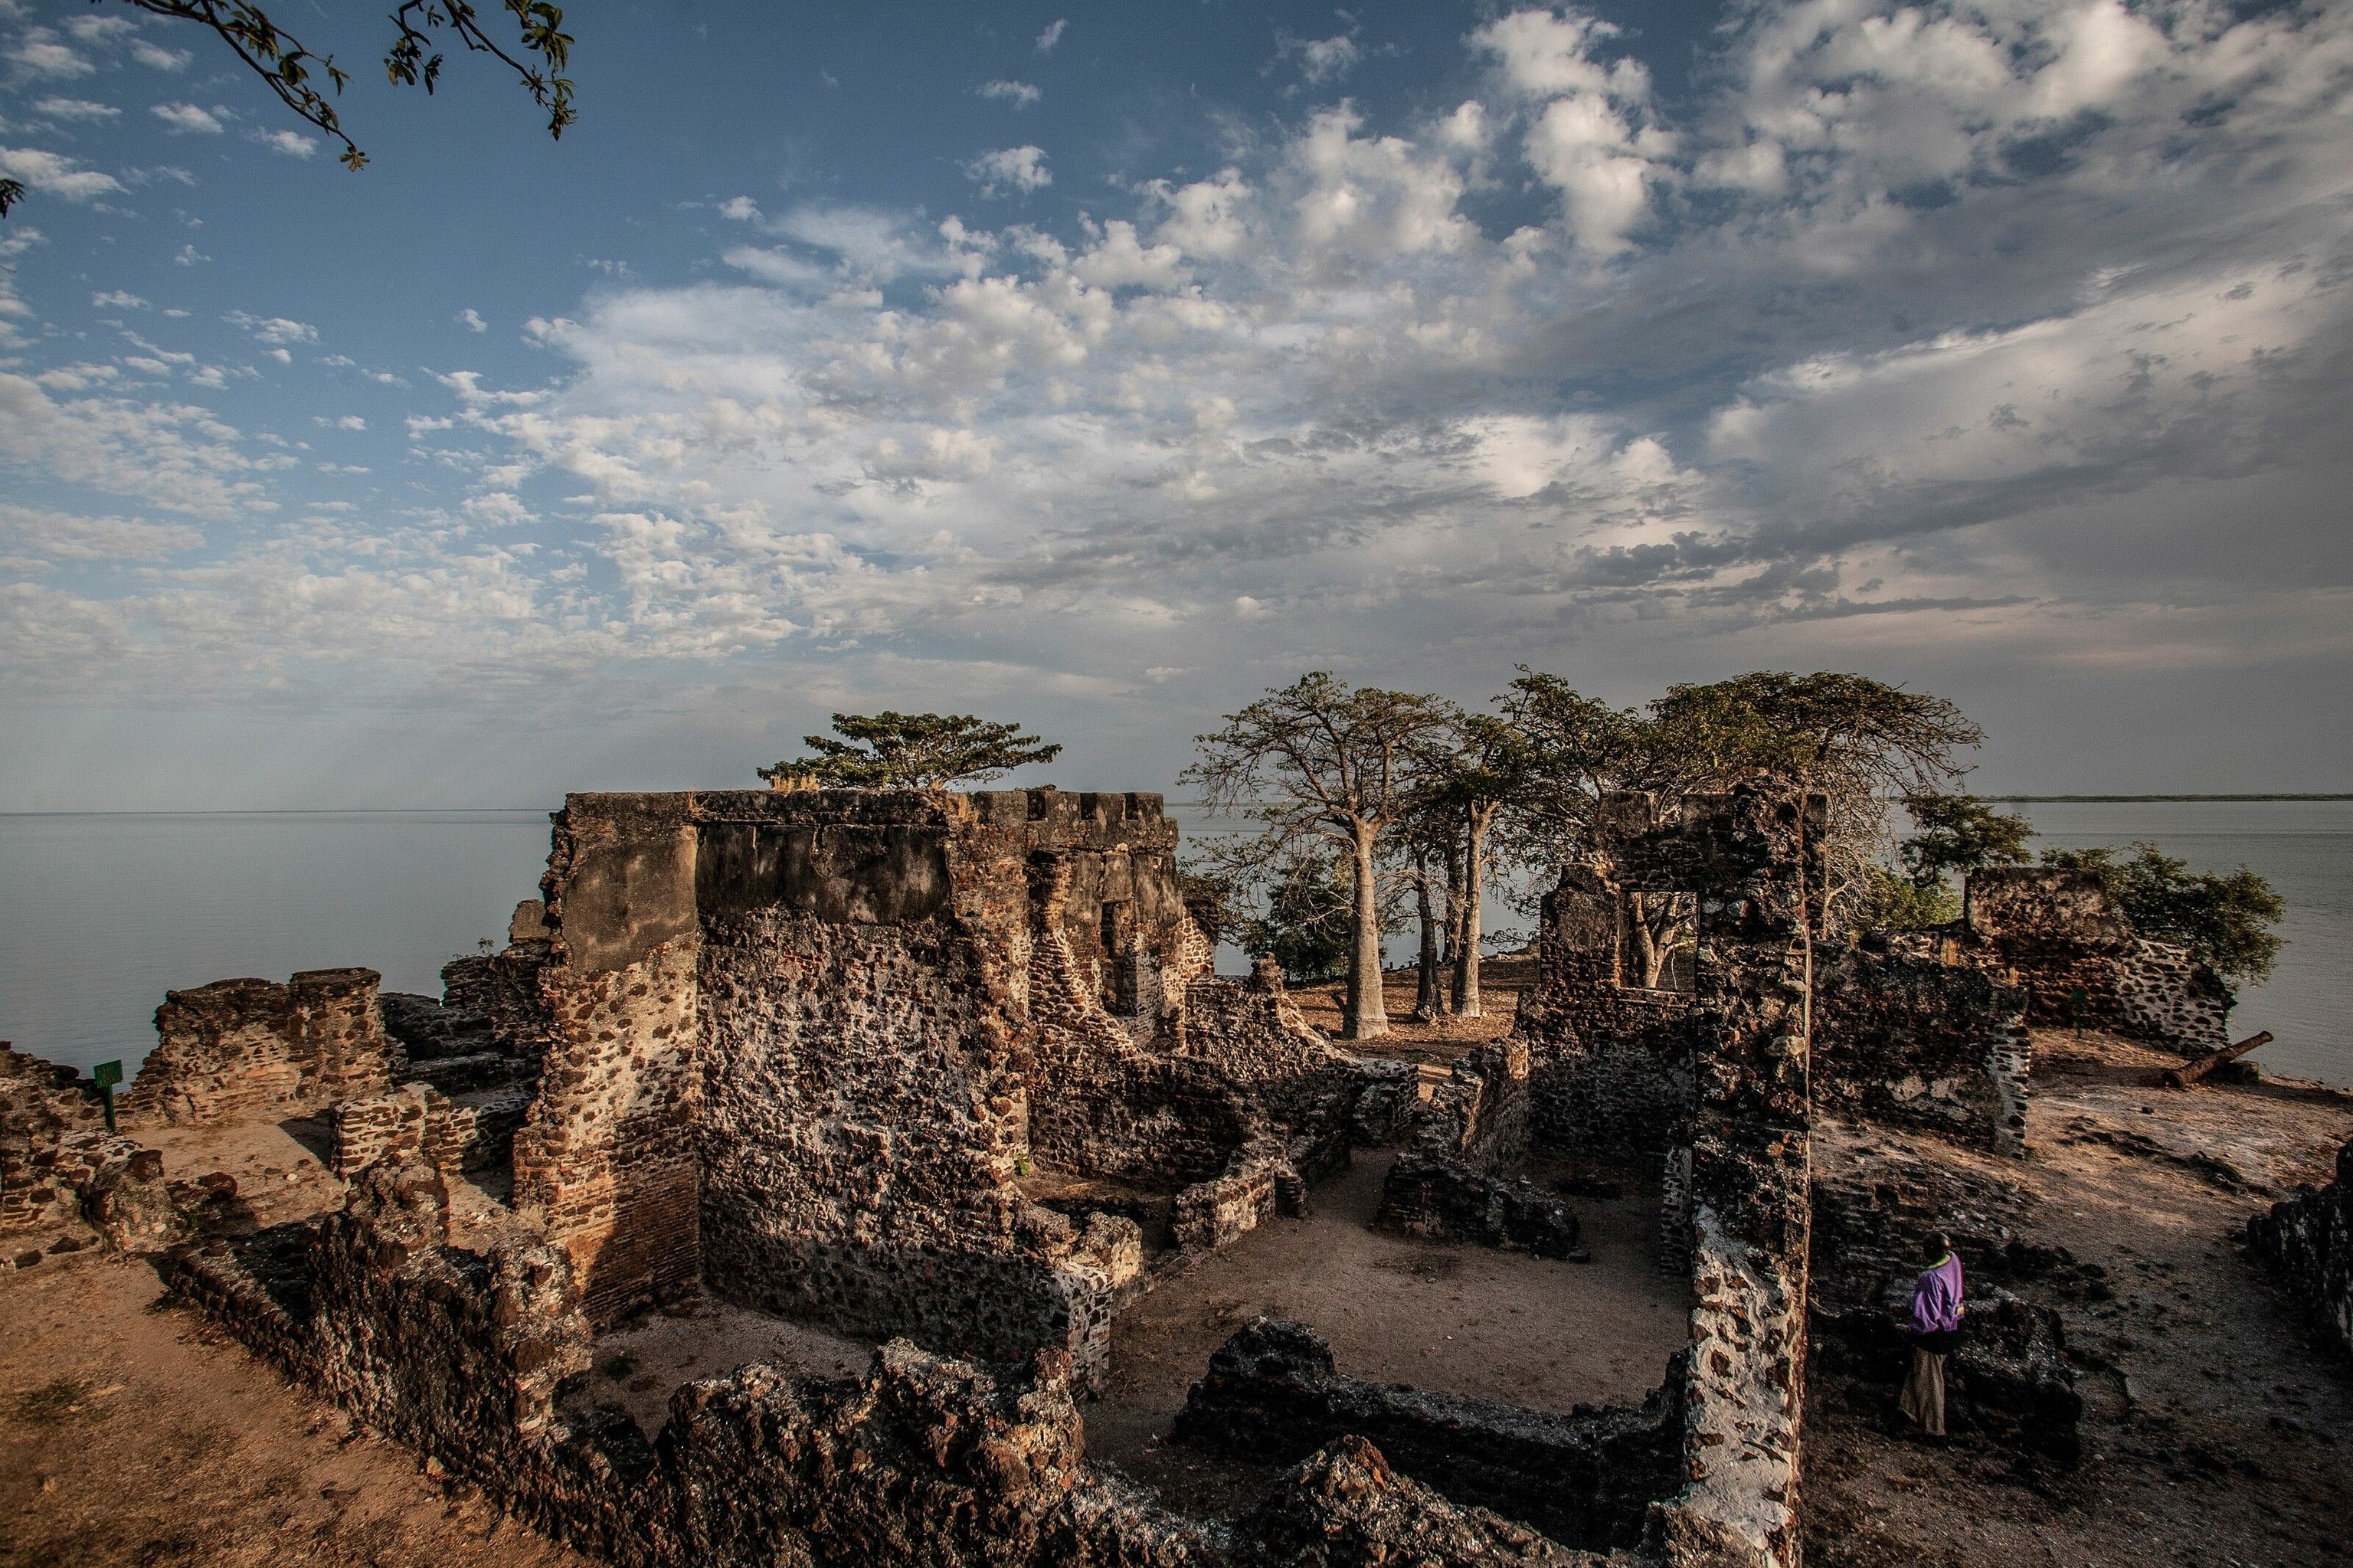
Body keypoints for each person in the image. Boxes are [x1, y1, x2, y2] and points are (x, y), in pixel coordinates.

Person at [1900, 1232, 1965, 1437]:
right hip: (1953, 1327)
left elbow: (1926, 1318)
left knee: (1930, 1380)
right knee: (1921, 1373)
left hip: (1933, 1336)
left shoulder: (1930, 1277)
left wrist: (1914, 1335)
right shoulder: (1952, 1260)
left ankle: (1934, 1430)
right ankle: (1906, 1412)